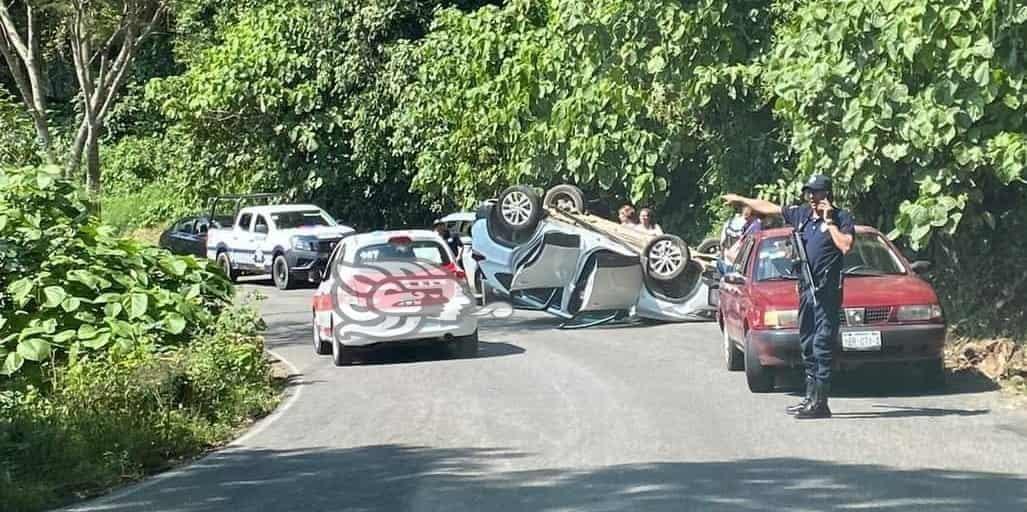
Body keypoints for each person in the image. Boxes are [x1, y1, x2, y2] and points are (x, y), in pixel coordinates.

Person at [723, 174, 854, 419]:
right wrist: (742, 199)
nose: (811, 198)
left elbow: (846, 245)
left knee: (822, 345)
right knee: (807, 343)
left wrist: (831, 223)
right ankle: (809, 397)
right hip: (806, 290)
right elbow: (770, 208)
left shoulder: (842, 218)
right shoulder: (802, 215)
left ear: (827, 194)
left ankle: (820, 402)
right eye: (809, 194)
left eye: (816, 193)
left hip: (826, 293)